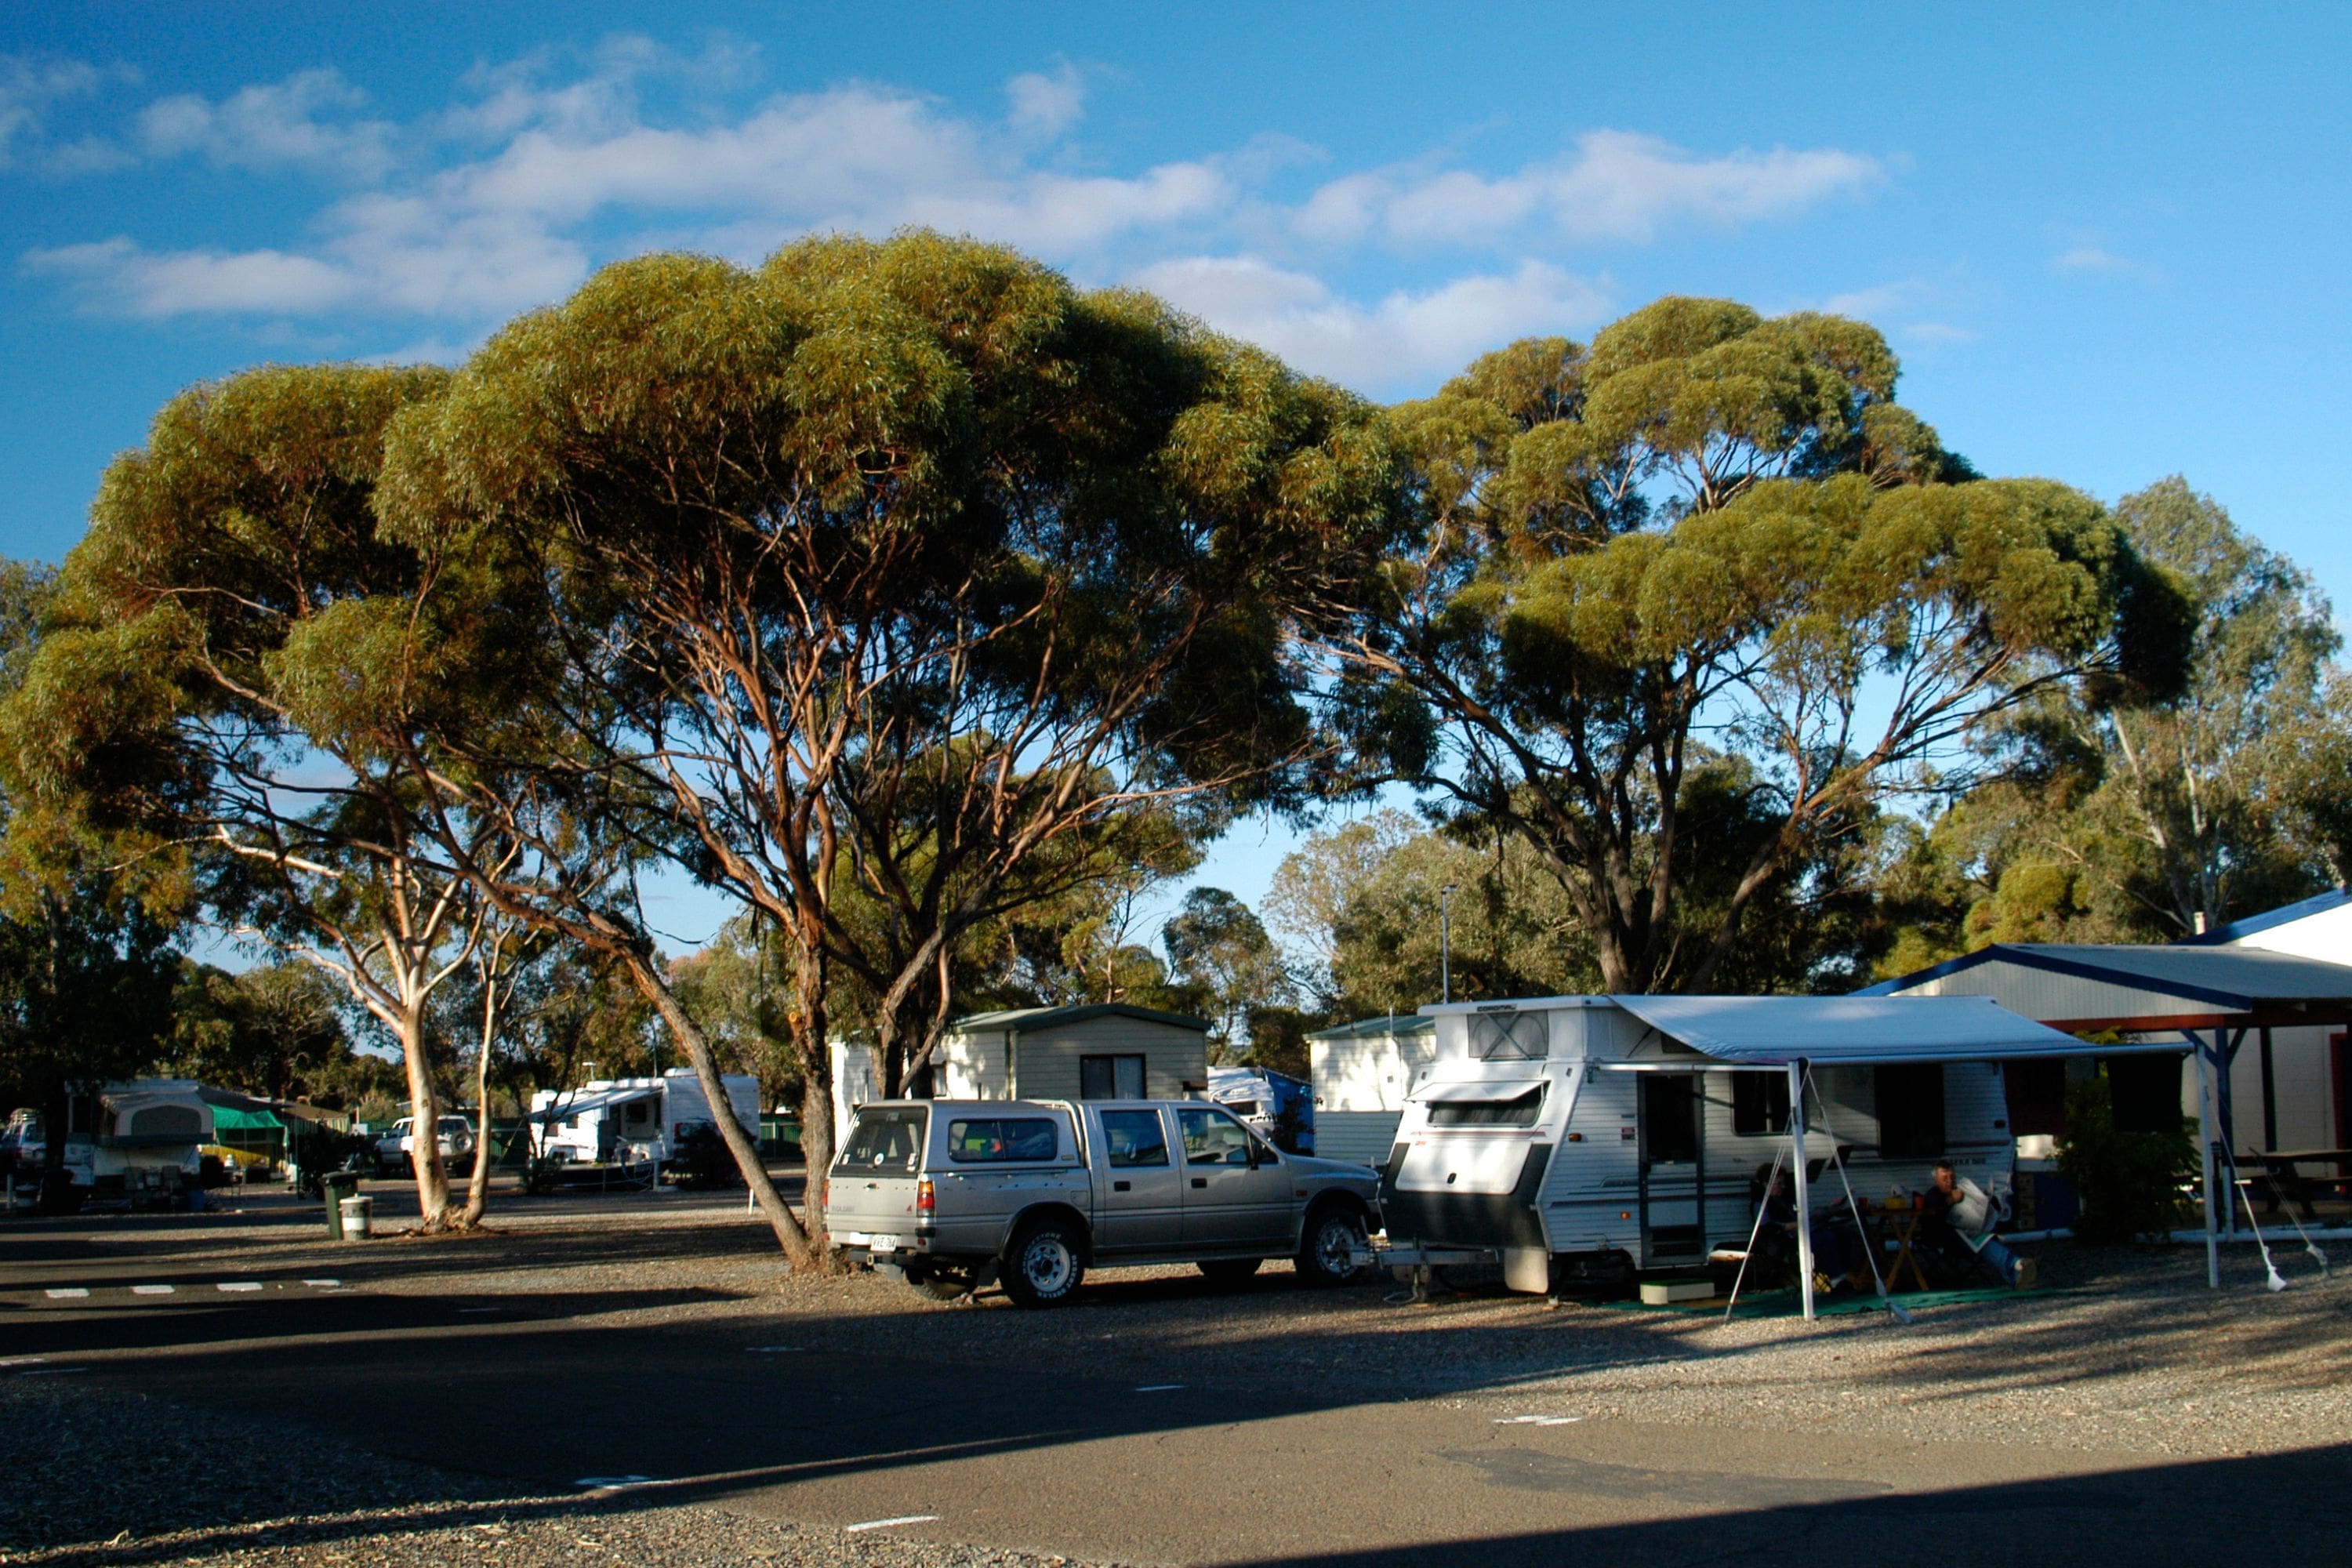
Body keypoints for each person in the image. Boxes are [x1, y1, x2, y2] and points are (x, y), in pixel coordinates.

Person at [1918, 1161, 2037, 1289]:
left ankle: (2017, 1271)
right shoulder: (1933, 1195)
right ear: (1936, 1180)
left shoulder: (1961, 1191)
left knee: (1987, 1239)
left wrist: (1987, 1202)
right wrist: (1950, 1201)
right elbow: (1931, 1220)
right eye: (1944, 1179)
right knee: (1984, 1244)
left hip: (1968, 1235)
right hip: (1946, 1240)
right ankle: (2017, 1267)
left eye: (1952, 1178)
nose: (1949, 1182)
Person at [1751, 1163, 1855, 1291]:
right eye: (1779, 1183)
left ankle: (1843, 1275)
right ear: (1766, 1184)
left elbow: (1803, 1213)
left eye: (1783, 1183)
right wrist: (1803, 1223)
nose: (1783, 1187)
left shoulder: (1786, 1198)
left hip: (1804, 1232)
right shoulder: (1760, 1203)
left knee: (1845, 1232)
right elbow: (1769, 1227)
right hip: (1784, 1242)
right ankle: (1837, 1279)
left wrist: (1828, 1208)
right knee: (1826, 1238)